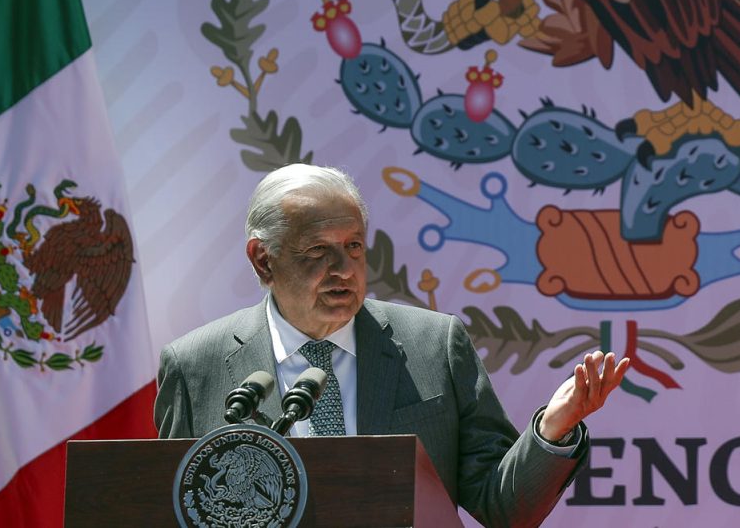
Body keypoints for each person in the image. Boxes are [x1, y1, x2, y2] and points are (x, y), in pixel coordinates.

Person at [156, 163, 630, 527]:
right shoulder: (196, 365)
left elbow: (503, 508)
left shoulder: (432, 345)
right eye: (319, 251)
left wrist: (552, 428)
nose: (344, 268)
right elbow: (168, 509)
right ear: (263, 260)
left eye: (355, 246)